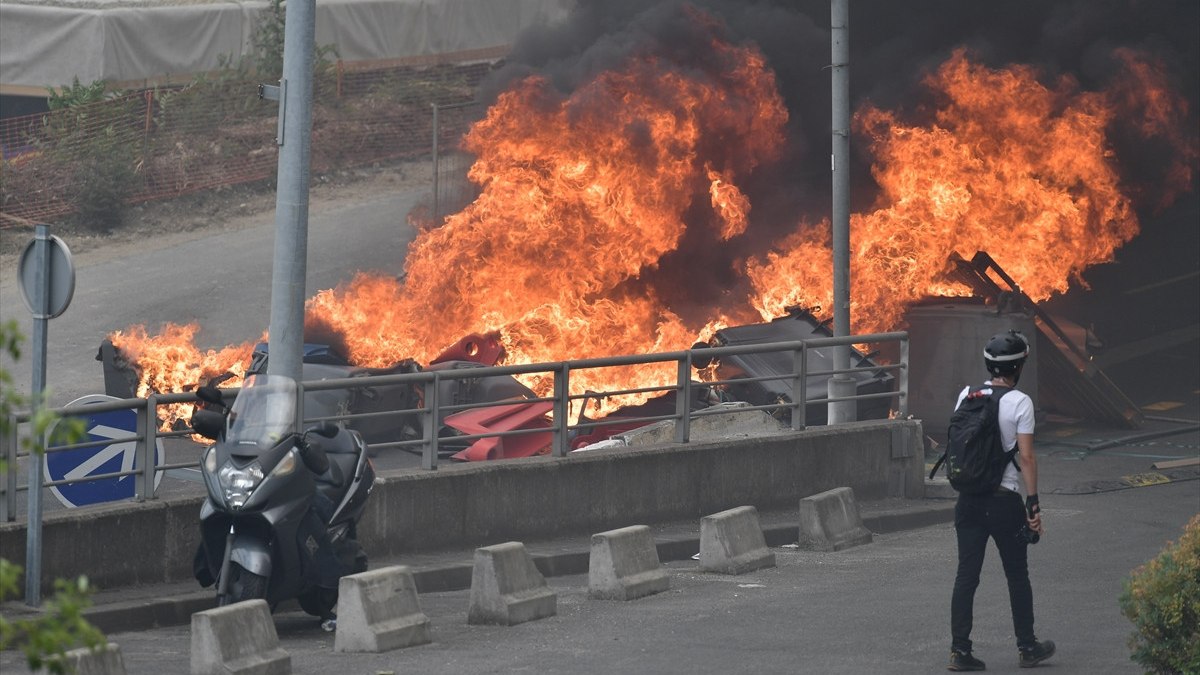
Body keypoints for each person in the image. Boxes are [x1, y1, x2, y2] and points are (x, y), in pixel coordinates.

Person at [947, 330, 1056, 671]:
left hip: (967, 500)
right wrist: (1033, 503)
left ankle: (959, 652)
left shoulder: (967, 393)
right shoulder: (1020, 402)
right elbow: (1026, 458)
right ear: (1018, 367)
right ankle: (1027, 647)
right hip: (1003, 500)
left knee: (967, 576)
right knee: (1016, 574)